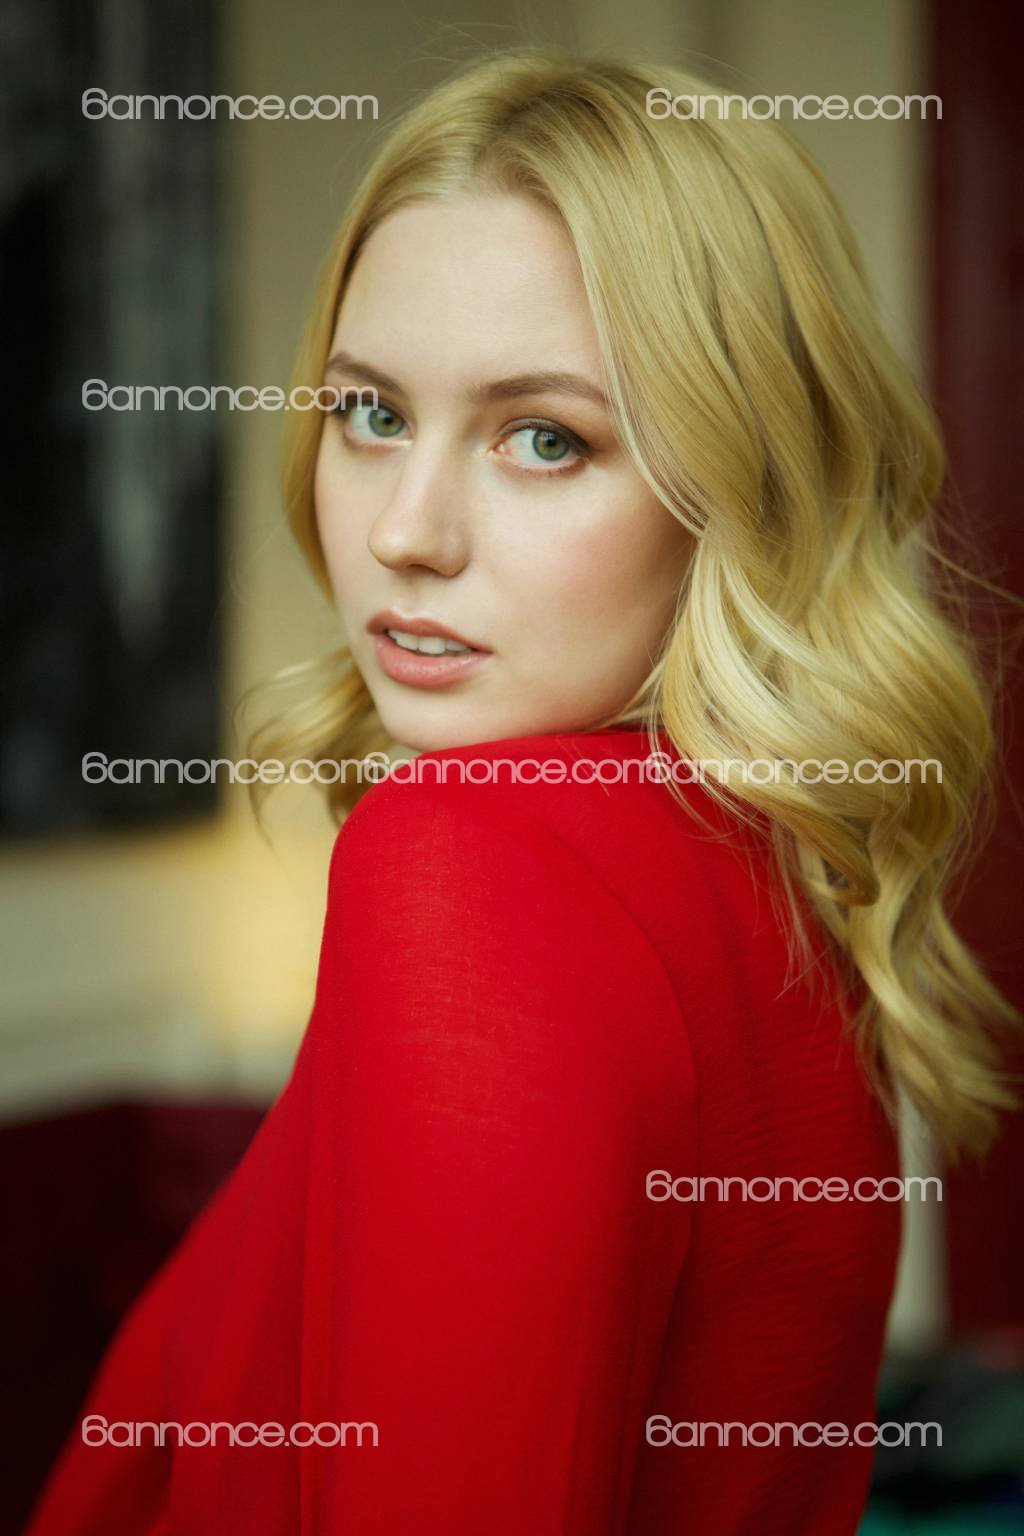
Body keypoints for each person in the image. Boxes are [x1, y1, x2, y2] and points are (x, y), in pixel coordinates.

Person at [26, 48, 1018, 1534]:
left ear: (740, 486)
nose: (407, 532)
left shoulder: (467, 864)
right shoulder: (793, 872)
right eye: (370, 414)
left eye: (545, 438)